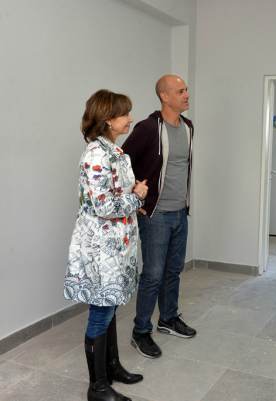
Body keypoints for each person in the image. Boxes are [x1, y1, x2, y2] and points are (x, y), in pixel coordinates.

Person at [64, 89, 149, 401]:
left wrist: (131, 198)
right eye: (124, 113)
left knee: (110, 305)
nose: (130, 118)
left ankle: (111, 368)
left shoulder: (113, 151)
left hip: (115, 245)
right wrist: (136, 197)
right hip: (102, 249)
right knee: (101, 311)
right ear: (108, 119)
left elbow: (113, 196)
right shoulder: (97, 155)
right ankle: (97, 387)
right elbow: (103, 206)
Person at [122, 74, 196, 359]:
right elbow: (123, 162)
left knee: (173, 269)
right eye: (180, 91)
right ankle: (141, 331)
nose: (186, 94)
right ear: (164, 96)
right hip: (155, 214)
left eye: (186, 90)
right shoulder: (148, 128)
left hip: (180, 212)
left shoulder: (188, 127)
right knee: (153, 274)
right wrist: (136, 196)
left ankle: (168, 318)